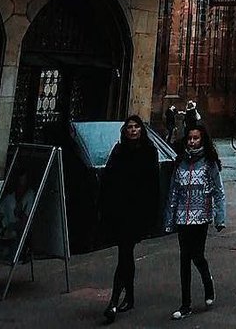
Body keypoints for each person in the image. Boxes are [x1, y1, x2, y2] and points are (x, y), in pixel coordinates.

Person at [100, 114, 159, 324]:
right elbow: (108, 177)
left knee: (125, 252)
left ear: (141, 130)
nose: (133, 130)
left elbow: (153, 183)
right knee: (126, 253)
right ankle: (130, 297)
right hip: (120, 211)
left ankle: (114, 301)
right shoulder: (119, 150)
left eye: (136, 127)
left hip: (137, 212)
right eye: (129, 127)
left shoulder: (149, 151)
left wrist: (152, 212)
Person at [164, 124, 226, 320]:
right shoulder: (180, 162)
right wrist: (169, 219)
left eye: (196, 138)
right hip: (183, 217)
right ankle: (185, 304)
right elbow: (173, 192)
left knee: (197, 256)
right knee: (184, 259)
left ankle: (207, 282)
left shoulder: (209, 163)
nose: (192, 141)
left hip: (201, 216)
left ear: (202, 140)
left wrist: (220, 218)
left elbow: (218, 190)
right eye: (190, 138)